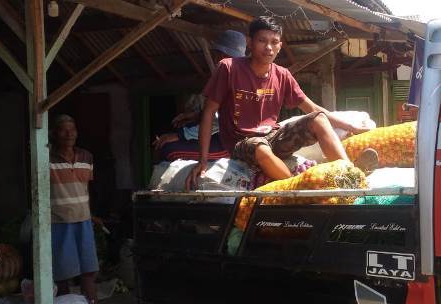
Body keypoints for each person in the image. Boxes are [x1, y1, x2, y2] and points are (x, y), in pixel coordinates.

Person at [186, 16, 377, 190]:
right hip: (241, 143)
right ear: (250, 43)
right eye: (262, 41)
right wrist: (202, 160)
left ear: (280, 46)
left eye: (274, 42)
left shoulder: (282, 75)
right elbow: (209, 112)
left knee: (317, 118)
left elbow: (312, 108)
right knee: (260, 146)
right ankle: (299, 189)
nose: (268, 47)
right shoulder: (229, 68)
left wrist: (352, 127)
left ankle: (350, 175)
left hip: (272, 136)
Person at [49, 114, 119, 304]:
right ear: (54, 133)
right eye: (63, 129)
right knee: (63, 276)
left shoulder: (86, 157)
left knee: (89, 272)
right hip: (59, 223)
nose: (69, 133)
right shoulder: (47, 159)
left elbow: (86, 189)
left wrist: (92, 215)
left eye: (72, 129)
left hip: (83, 222)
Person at [152, 30, 248, 161]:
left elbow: (215, 122)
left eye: (216, 54)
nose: (215, 59)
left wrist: (181, 135)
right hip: (223, 137)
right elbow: (220, 114)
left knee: (168, 149)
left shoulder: (233, 81)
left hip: (228, 145)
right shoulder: (234, 77)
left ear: (221, 55)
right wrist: (195, 116)